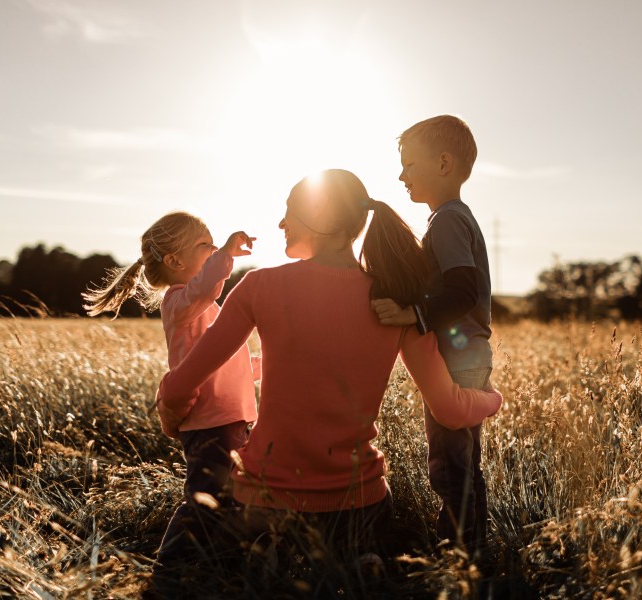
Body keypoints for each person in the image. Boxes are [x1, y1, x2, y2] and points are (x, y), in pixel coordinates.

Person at [156, 169, 502, 565]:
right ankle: (354, 564)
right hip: (359, 505)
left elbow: (179, 384)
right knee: (345, 562)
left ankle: (287, 564)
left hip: (263, 505)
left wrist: (171, 414)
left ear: (319, 215)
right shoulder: (396, 305)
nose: (281, 223)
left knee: (247, 563)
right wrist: (492, 399)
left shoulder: (258, 286)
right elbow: (451, 410)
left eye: (289, 212)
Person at [81, 211, 260, 589]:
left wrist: (270, 365)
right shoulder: (180, 303)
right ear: (175, 262)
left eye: (213, 244)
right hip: (210, 424)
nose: (213, 250)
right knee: (203, 504)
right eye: (205, 246)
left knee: (229, 503)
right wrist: (226, 254)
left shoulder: (203, 307)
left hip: (231, 420)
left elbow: (231, 360)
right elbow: (205, 288)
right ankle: (168, 574)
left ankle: (219, 570)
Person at [371, 115, 493, 553]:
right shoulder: (456, 217)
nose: (401, 175)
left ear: (443, 164)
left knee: (449, 465)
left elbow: (464, 290)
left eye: (409, 165)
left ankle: (457, 554)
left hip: (458, 359)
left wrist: (412, 314)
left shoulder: (445, 222)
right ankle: (474, 547)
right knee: (465, 461)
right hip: (472, 355)